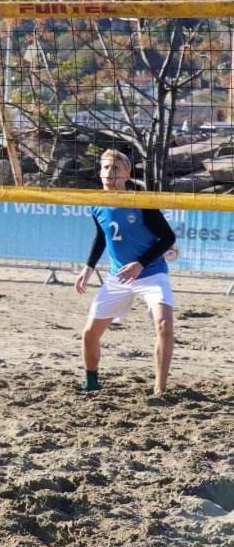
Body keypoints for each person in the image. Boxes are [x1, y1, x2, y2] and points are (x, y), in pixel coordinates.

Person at [75, 149, 176, 396]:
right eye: (107, 167)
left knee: (165, 324)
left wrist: (140, 263)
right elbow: (102, 235)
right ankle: (91, 383)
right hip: (118, 277)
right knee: (89, 334)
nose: (111, 172)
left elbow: (168, 238)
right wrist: (89, 267)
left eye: (116, 168)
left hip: (151, 273)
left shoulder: (140, 202)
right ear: (100, 172)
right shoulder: (97, 204)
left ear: (127, 174)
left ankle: (159, 389)